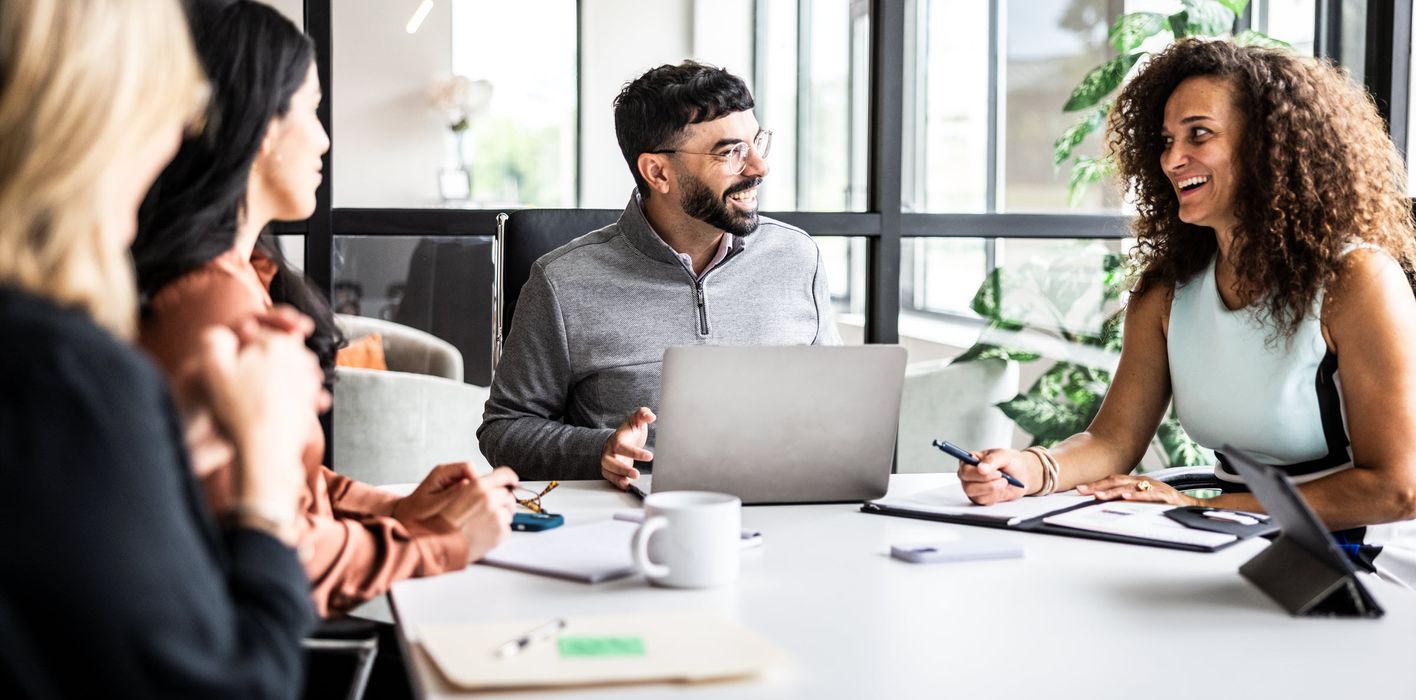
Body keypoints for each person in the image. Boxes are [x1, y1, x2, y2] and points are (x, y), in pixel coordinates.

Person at [958, 39, 1416, 587]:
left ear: (1268, 145)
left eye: (1199, 134)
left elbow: (1398, 488)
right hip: (1230, 540)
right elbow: (1112, 442)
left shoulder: (1357, 281)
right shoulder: (1168, 292)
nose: (1173, 159)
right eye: (1167, 140)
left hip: (1363, 558)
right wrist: (1032, 468)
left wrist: (1209, 508)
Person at [131, 0, 518, 619]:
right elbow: (277, 549)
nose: (325, 137)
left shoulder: (242, 276)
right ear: (257, 124)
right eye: (311, 109)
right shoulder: (212, 306)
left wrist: (396, 510)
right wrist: (440, 543)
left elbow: (292, 482)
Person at [0, 0, 324, 695]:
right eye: (174, 98)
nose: (182, 132)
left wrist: (160, 447)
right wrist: (263, 473)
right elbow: (241, 684)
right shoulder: (64, 373)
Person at [480, 61, 841, 486]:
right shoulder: (563, 281)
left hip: (790, 504)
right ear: (658, 172)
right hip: (636, 523)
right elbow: (505, 429)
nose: (759, 167)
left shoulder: (798, 256)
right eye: (731, 153)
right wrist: (600, 450)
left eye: (756, 142)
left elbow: (835, 403)